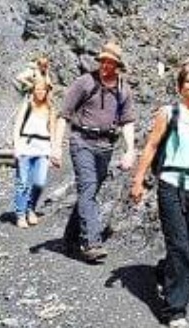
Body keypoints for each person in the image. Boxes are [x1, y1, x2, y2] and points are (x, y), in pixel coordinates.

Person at [130, 61, 189, 328]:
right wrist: (138, 180)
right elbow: (152, 145)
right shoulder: (169, 113)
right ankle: (175, 309)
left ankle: (163, 272)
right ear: (180, 87)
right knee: (179, 246)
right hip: (170, 185)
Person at [58, 41, 137, 262]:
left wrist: (130, 150)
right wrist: (56, 146)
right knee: (89, 187)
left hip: (106, 146)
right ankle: (91, 243)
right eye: (103, 61)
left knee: (89, 192)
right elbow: (63, 114)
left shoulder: (123, 90)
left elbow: (128, 122)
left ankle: (70, 237)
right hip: (81, 141)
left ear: (117, 65)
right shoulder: (84, 83)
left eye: (110, 63)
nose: (105, 66)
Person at [11, 78, 63, 228]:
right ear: (33, 90)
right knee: (23, 183)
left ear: (47, 92)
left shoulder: (50, 108)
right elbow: (17, 126)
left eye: (43, 90)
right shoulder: (27, 105)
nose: (40, 92)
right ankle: (21, 214)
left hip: (43, 148)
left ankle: (31, 208)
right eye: (37, 89)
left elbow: (52, 131)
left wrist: (55, 151)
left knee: (39, 182)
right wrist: (16, 146)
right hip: (26, 147)